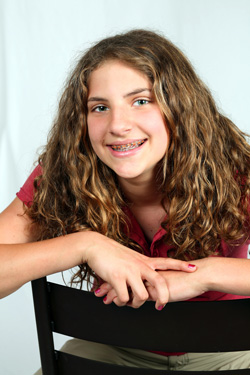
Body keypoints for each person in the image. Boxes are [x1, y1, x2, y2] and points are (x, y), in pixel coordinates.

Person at [1, 29, 250, 372]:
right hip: (115, 346)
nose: (118, 125)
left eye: (141, 100)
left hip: (231, 349)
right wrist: (85, 246)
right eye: (100, 107)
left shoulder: (238, 170)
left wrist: (205, 275)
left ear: (180, 106)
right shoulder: (64, 173)